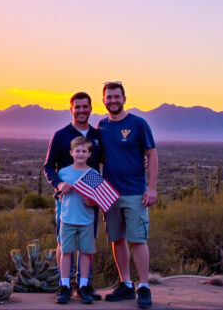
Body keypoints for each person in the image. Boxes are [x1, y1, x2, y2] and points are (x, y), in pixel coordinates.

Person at [98, 82, 158, 309]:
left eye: (116, 97)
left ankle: (144, 286)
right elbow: (102, 157)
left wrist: (151, 187)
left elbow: (151, 155)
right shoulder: (101, 126)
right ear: (103, 101)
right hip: (109, 193)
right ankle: (125, 283)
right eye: (108, 97)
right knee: (116, 238)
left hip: (135, 192)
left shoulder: (138, 124)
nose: (112, 100)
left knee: (138, 239)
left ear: (124, 98)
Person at [42, 92, 102, 301]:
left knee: (87, 244)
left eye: (85, 106)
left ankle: (84, 284)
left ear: (91, 108)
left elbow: (106, 164)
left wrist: (97, 198)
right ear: (71, 109)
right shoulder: (60, 135)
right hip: (65, 201)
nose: (82, 110)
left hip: (89, 202)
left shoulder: (97, 135)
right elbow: (48, 166)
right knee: (64, 244)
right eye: (77, 107)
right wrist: (58, 184)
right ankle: (64, 285)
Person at [55, 137, 99, 304]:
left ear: (89, 154)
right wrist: (61, 188)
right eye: (77, 151)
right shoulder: (63, 173)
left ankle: (83, 286)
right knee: (66, 252)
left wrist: (94, 202)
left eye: (84, 151)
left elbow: (98, 198)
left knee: (86, 252)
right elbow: (58, 195)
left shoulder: (93, 174)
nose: (80, 154)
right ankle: (64, 285)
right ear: (71, 153)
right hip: (67, 218)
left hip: (86, 220)